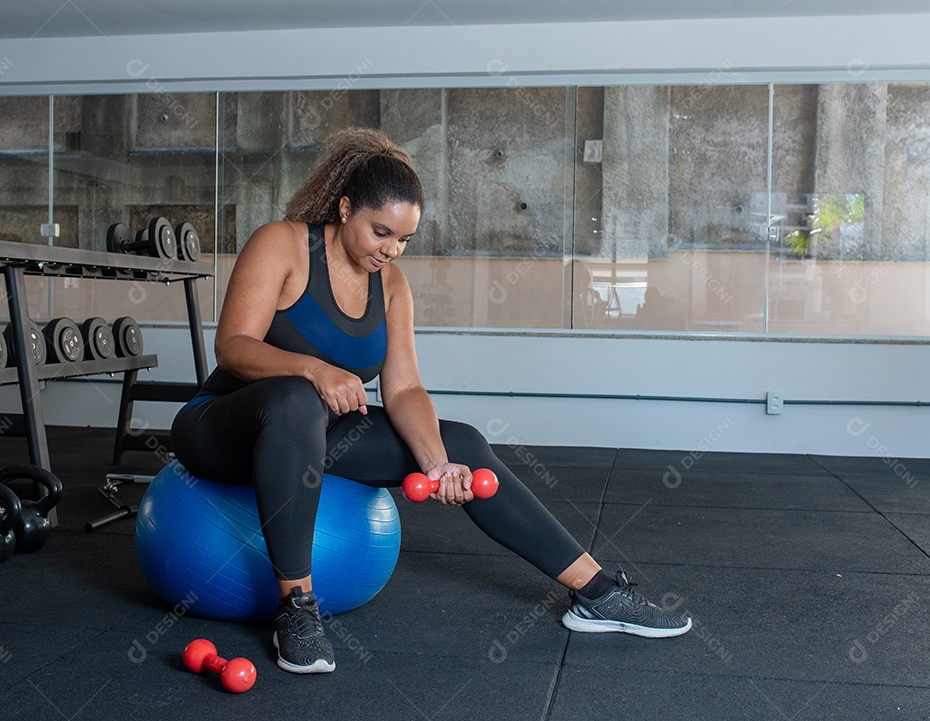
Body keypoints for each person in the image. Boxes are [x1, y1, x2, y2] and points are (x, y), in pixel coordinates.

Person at [171, 127, 691, 675]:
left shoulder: (391, 285)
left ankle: (597, 592)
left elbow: (403, 389)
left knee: (461, 440)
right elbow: (232, 346)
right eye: (380, 232)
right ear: (346, 207)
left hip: (307, 435)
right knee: (299, 398)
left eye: (403, 240)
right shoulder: (282, 243)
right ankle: (296, 607)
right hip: (220, 429)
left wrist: (437, 463)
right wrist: (315, 369)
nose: (390, 250)